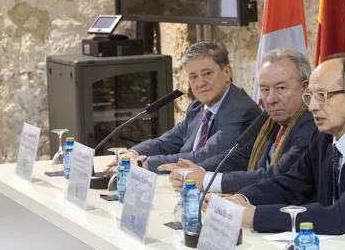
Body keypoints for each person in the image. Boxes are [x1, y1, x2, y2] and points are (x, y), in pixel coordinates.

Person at [209, 56, 345, 235]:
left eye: (322, 96)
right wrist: (242, 199)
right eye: (310, 97)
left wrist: (254, 216)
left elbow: (341, 217)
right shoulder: (324, 135)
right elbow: (290, 184)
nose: (313, 107)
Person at [160, 49, 316, 193]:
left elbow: (277, 176)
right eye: (265, 90)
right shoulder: (269, 120)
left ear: (305, 88)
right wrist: (195, 170)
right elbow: (237, 157)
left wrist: (206, 180)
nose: (271, 99)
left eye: (281, 88)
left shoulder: (311, 124)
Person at [106, 41, 261, 173]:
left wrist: (143, 163)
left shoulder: (240, 110)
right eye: (193, 77)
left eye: (207, 74)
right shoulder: (197, 107)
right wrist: (132, 153)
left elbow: (204, 157)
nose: (200, 83)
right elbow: (165, 143)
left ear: (227, 73)